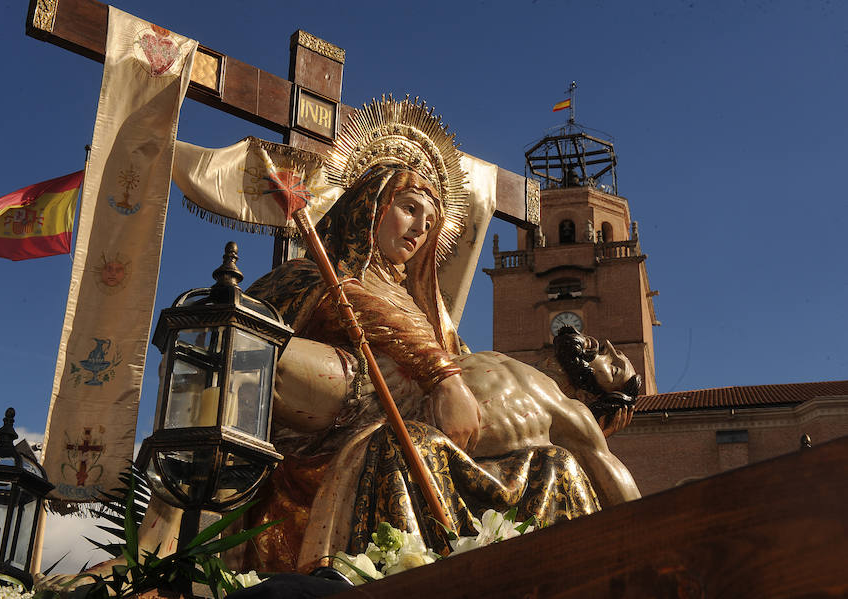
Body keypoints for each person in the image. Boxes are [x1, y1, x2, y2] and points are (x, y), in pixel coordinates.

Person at [231, 164, 641, 573]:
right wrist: (440, 373)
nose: (419, 230)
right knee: (245, 348)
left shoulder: (423, 310)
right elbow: (281, 324)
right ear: (370, 208)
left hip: (421, 425)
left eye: (429, 223)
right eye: (409, 210)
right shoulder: (313, 276)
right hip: (332, 413)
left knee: (551, 463)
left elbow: (460, 364)